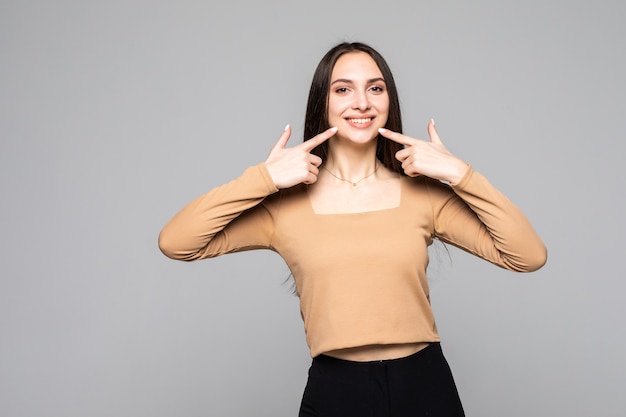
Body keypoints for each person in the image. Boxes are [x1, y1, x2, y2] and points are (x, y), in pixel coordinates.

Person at [158, 42, 547, 417]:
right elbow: (177, 242)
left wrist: (461, 174)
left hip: (425, 385)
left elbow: (528, 256)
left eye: (375, 88)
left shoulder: (423, 195)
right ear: (322, 103)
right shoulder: (284, 206)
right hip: (336, 391)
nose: (362, 102)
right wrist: (262, 178)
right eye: (343, 89)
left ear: (388, 100)